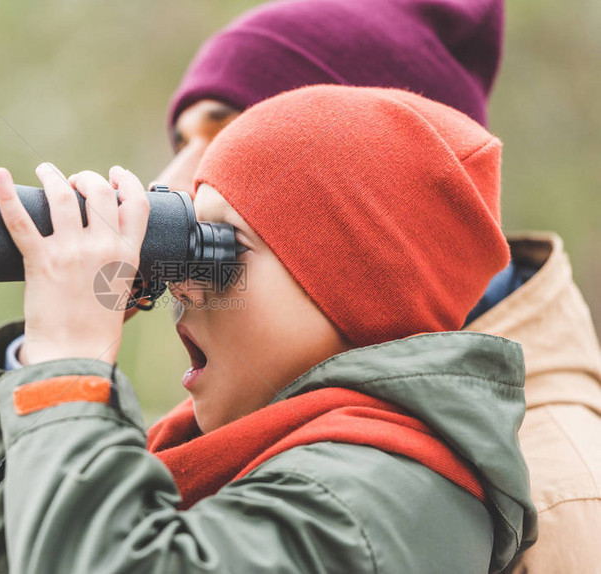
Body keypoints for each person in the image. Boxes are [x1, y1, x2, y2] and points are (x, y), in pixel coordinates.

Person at [0, 84, 536, 573]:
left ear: (353, 292)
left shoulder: (380, 497)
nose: (183, 285)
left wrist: (70, 362)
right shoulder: (245, 449)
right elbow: (32, 541)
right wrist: (40, 361)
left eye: (219, 249)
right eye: (187, 241)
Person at [151, 2, 601, 572]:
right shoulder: (273, 403)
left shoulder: (563, 492)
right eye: (180, 145)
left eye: (229, 133)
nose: (169, 185)